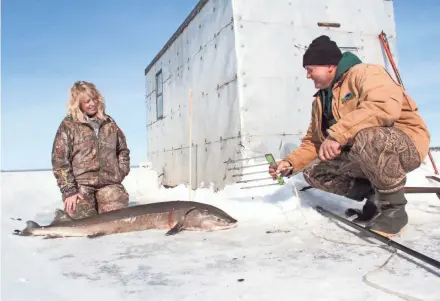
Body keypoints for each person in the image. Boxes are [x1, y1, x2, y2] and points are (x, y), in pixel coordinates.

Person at [269, 35, 430, 237]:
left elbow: (381, 107)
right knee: (314, 171)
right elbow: (314, 143)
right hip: (365, 154)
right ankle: (375, 199)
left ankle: (394, 211)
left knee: (368, 137)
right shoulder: (320, 101)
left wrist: (337, 135)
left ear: (329, 65)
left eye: (310, 70)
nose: (308, 76)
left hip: (404, 145)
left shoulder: (366, 73)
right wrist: (290, 163)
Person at [51, 81, 131, 219]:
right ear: (78, 103)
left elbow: (122, 150)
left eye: (94, 99)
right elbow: (59, 160)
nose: (92, 104)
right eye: (87, 101)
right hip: (80, 186)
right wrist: (69, 191)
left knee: (117, 222)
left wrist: (120, 172)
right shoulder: (68, 125)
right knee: (82, 223)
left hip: (109, 183)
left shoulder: (109, 123)